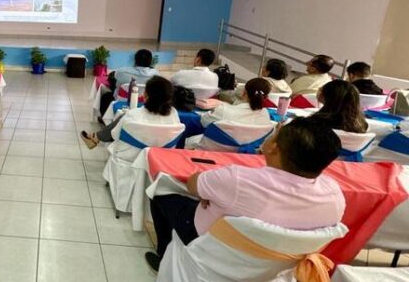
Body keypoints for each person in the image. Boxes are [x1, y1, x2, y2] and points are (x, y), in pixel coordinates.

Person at [144, 116, 345, 271]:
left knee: (162, 191)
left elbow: (192, 184)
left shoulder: (237, 179)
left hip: (210, 244)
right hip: (277, 266)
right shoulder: (334, 196)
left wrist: (211, 191)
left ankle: (164, 256)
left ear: (275, 147)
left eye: (275, 133)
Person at [82, 76, 180, 148]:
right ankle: (97, 137)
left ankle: (96, 137)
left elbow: (114, 135)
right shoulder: (174, 114)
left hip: (129, 159)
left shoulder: (133, 114)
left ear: (145, 95)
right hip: (160, 159)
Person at [99, 49, 159, 116]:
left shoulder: (123, 72)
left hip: (123, 103)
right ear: (150, 61)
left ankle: (104, 117)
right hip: (146, 103)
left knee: (106, 96)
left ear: (135, 60)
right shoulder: (156, 75)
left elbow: (115, 76)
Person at [200, 78, 273, 128]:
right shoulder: (265, 116)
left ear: (244, 93)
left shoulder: (224, 110)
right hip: (245, 149)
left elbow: (203, 121)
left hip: (211, 148)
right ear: (265, 98)